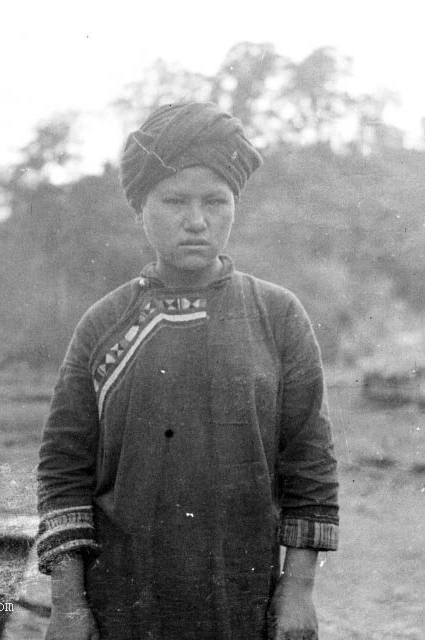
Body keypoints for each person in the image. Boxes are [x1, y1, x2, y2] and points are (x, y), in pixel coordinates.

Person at [37, 102, 339, 640]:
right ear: (141, 210)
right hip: (123, 605)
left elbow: (309, 461)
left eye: (215, 202)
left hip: (247, 600)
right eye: (175, 201)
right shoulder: (103, 325)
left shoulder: (278, 315)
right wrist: (68, 606)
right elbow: (64, 470)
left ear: (234, 207)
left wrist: (298, 591)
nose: (196, 221)